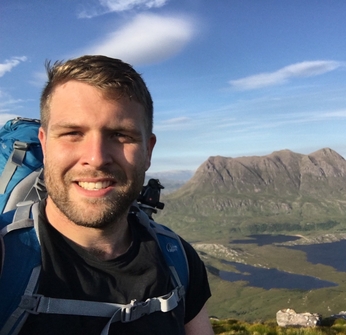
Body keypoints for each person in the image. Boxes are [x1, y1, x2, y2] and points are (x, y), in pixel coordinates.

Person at [17, 55, 214, 334]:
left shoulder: (178, 260)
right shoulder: (7, 263)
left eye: (121, 135)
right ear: (45, 145)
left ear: (148, 151)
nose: (96, 158)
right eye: (73, 133)